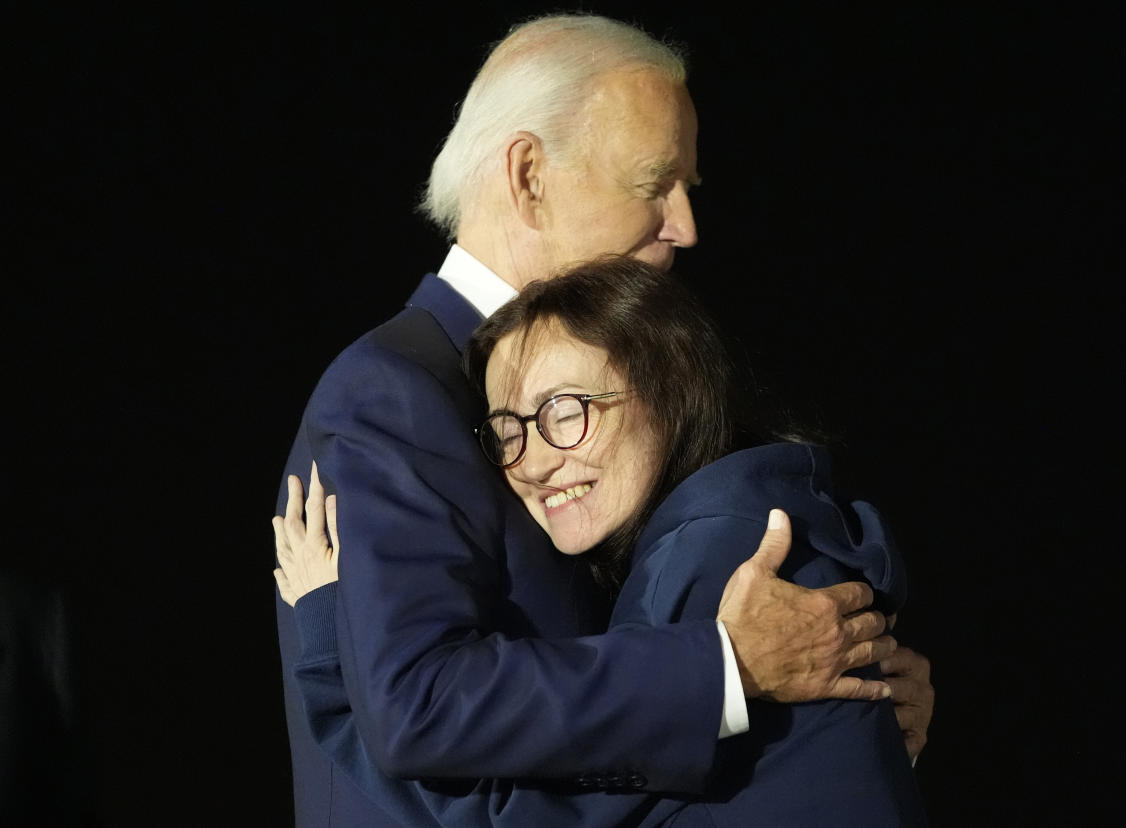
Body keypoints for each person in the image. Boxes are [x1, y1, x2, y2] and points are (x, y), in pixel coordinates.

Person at [273, 14, 932, 827]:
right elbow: (418, 706)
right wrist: (727, 669)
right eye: (653, 182)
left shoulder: (638, 391)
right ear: (528, 177)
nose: (684, 227)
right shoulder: (393, 393)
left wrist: (845, 701)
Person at [276, 257, 927, 826]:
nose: (531, 461)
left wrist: (334, 644)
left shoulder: (729, 560)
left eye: (566, 411)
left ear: (669, 387)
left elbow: (510, 822)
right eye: (507, 432)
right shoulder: (763, 513)